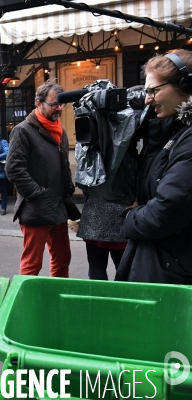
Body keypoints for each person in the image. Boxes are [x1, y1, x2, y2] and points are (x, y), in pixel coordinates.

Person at [116, 50, 192, 285]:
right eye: (146, 91)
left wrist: (130, 217)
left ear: (186, 86)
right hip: (167, 263)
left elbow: (167, 211)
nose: (148, 99)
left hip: (174, 270)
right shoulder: (174, 132)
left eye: (154, 90)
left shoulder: (187, 140)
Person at [6, 80, 80, 277]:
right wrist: (39, 195)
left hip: (58, 207)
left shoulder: (60, 131)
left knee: (62, 258)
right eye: (53, 104)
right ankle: (27, 304)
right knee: (32, 265)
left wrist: (68, 189)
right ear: (38, 104)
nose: (58, 109)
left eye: (61, 105)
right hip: (35, 208)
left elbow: (62, 165)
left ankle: (56, 301)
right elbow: (14, 169)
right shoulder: (23, 130)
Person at [77, 198, 127, 280]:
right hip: (124, 215)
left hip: (95, 215)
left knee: (96, 267)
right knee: (124, 270)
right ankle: (122, 292)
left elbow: (83, 186)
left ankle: (98, 292)